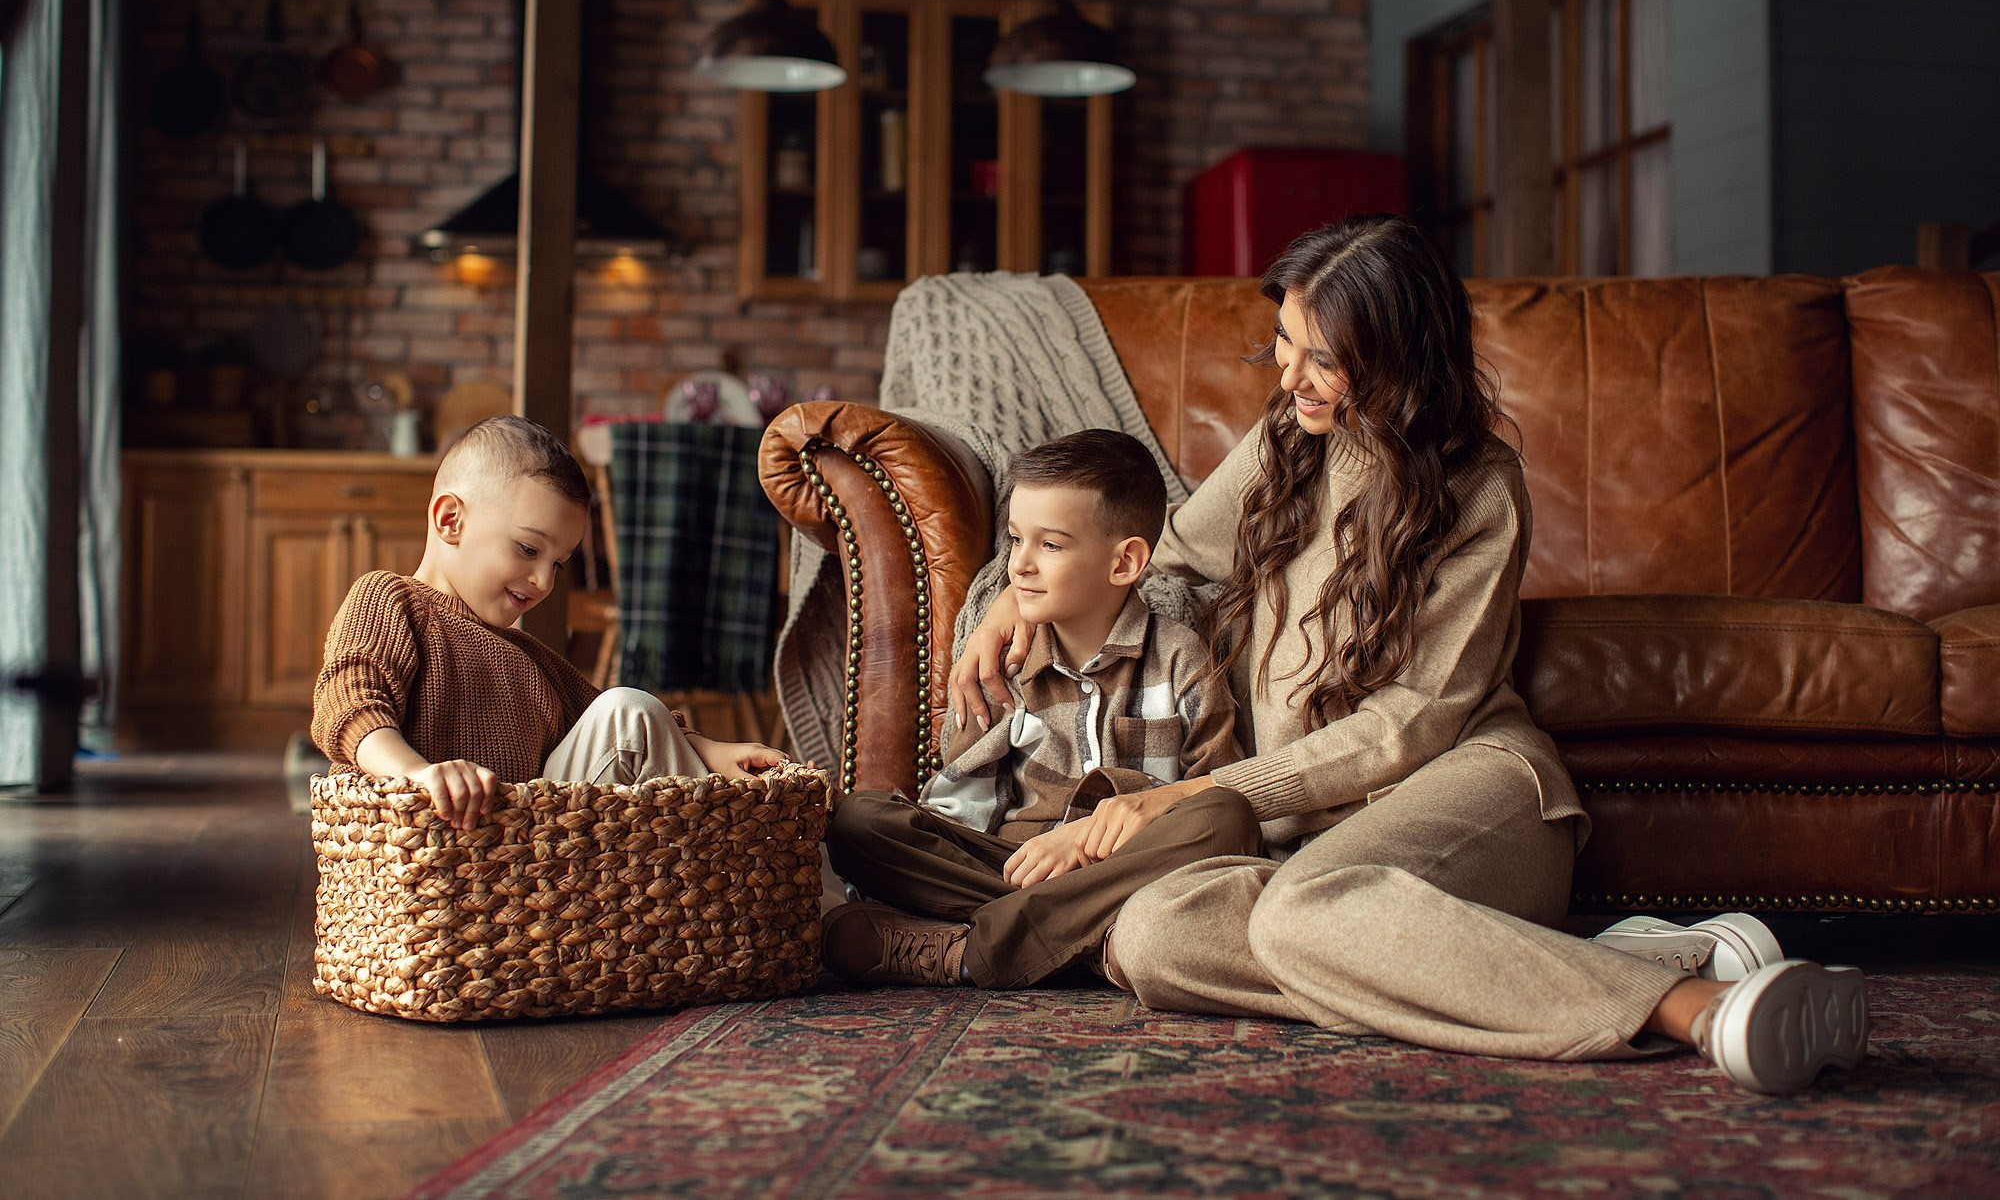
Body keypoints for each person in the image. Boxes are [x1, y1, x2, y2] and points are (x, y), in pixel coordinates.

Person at [951, 216, 1867, 1096]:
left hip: (1472, 789)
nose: (1291, 378)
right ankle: (1591, 963)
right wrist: (1010, 604)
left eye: (1325, 358)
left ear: (1400, 356)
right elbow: (1175, 560)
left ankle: (1697, 1008)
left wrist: (1195, 793)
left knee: (1302, 913)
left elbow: (1411, 723)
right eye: (1284, 342)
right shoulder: (1285, 439)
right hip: (1310, 845)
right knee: (1153, 936)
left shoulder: (1481, 487)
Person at [823, 428, 1260, 990]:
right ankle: (1069, 935)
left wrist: (1087, 841)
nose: (1021, 565)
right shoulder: (1005, 661)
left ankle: (975, 949)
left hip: (1128, 867)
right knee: (860, 820)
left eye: (1050, 545)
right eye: (1015, 540)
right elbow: (964, 794)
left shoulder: (1180, 657)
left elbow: (1215, 790)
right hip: (1010, 867)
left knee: (1229, 816)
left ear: (1124, 562)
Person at [311, 415, 786, 829]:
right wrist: (416, 774)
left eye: (558, 562)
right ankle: (723, 864)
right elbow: (348, 703)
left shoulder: (525, 655)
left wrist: (702, 747)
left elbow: (616, 721)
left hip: (539, 854)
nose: (542, 580)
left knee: (627, 708)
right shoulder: (390, 600)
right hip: (441, 835)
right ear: (450, 520)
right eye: (528, 549)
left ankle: (726, 848)